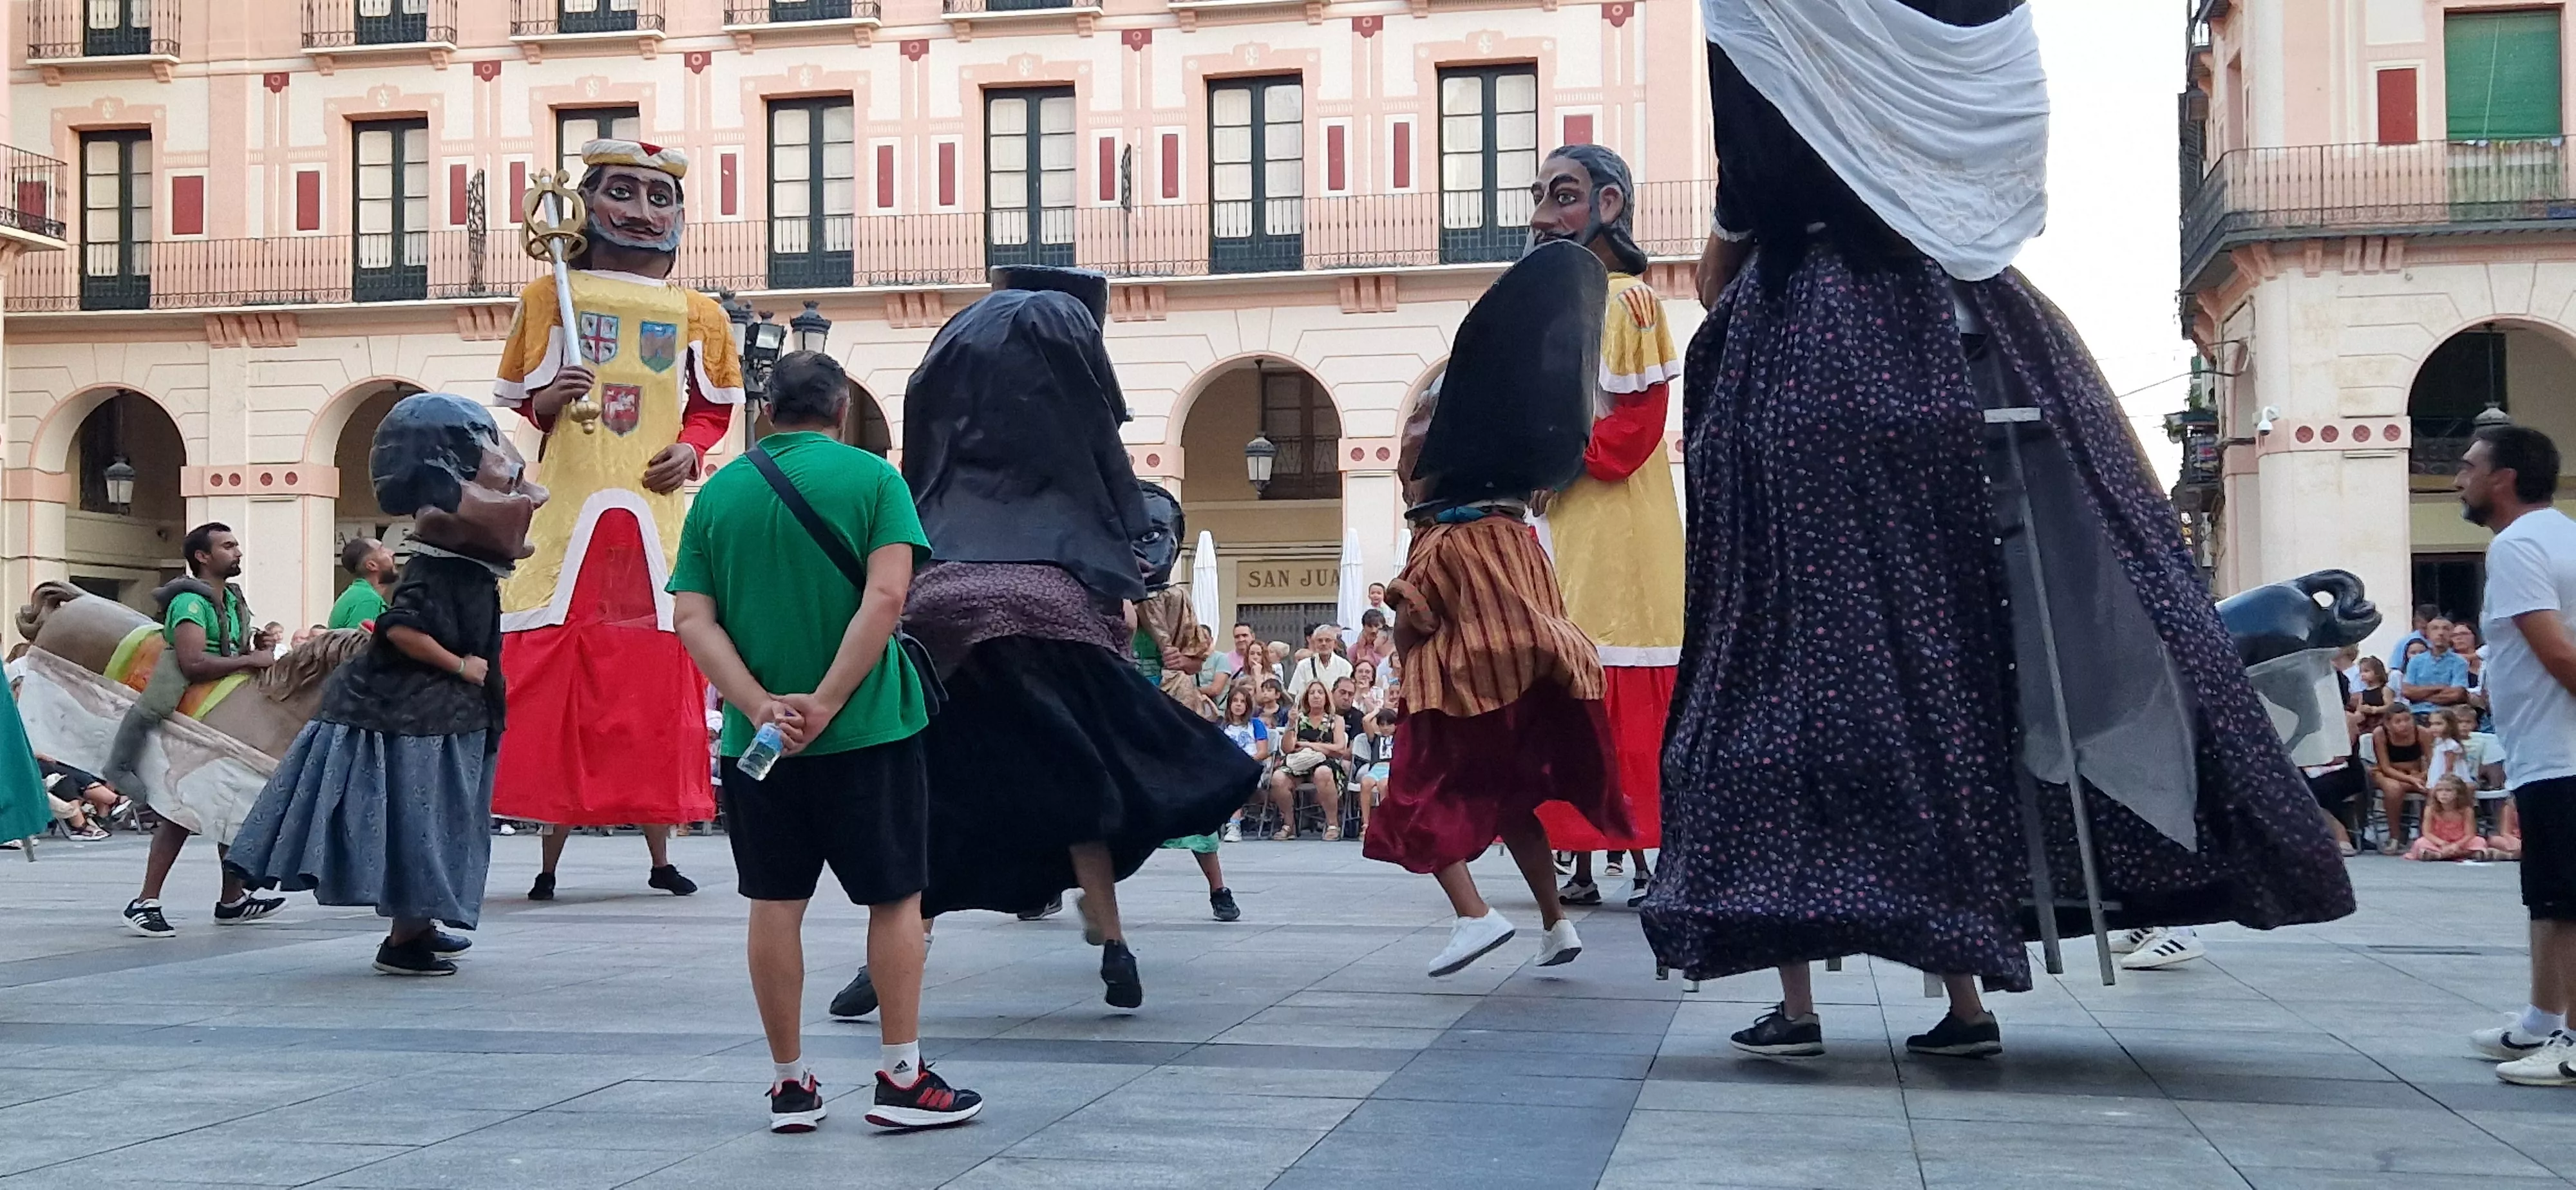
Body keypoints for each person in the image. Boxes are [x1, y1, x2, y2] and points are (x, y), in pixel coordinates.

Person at [1657, 0, 2353, 1061]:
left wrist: (1735, 245)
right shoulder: (1973, 60)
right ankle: (1966, 1000)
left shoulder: (1763, 27)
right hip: (1966, 333)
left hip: (1797, 362)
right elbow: (1998, 174)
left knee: (1772, 685)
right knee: (1939, 689)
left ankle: (1798, 1005)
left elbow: (1735, 231)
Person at [837, 267, 1256, 1019]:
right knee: (1082, 792)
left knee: (937, 795)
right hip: (1049, 604)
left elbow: (918, 476)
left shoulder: (955, 347)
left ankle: (894, 955)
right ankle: (1114, 944)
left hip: (943, 603)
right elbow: (1113, 488)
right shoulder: (1064, 348)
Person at [666, 350, 981, 1132]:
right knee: (895, 896)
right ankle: (901, 1076)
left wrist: (764, 707)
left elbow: (692, 620)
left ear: (767, 412)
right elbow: (888, 596)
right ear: (842, 410)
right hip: (871, 728)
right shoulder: (876, 482)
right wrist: (829, 701)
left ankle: (790, 1086)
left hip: (760, 743)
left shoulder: (720, 495)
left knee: (774, 902)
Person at [490, 138, 745, 902]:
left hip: (654, 523)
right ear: (585, 204)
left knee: (652, 698)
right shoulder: (548, 295)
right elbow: (522, 406)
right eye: (623, 193)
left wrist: (690, 453)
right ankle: (547, 859)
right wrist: (551, 399)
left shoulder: (701, 315)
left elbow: (709, 411)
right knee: (564, 685)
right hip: (573, 518)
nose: (640, 213)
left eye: (658, 198)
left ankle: (662, 856)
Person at [1362, 241, 1625, 978]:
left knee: (1408, 802)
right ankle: (1555, 924)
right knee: (1513, 804)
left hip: (1458, 693)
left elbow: (1413, 616)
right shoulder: (1517, 533)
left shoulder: (1442, 539)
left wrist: (1405, 664)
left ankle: (1473, 917)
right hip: (1532, 684)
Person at [226, 393, 545, 977]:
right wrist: (460, 667)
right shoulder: (440, 564)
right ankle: (405, 938)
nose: (517, 481)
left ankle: (420, 924)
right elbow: (401, 628)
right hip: (413, 719)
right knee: (422, 823)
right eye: (492, 458)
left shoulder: (456, 562)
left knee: (430, 821)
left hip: (434, 716)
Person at [1524, 142, 1682, 912]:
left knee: (1619, 658)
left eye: (1562, 196)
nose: (1542, 215)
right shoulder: (1565, 306)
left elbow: (1634, 428)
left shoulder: (1628, 303)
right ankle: (1584, 855)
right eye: (1541, 197)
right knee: (1576, 668)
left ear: (1608, 205)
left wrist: (1556, 458)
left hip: (1618, 529)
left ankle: (1643, 849)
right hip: (1570, 520)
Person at [2453, 425, 2576, 1083]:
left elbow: (2555, 653)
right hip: (2544, 751)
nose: (2459, 477)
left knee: (2567, 897)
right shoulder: (2563, 535)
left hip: (2560, 752)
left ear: (2503, 479)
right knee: (2550, 895)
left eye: (2469, 466)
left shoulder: (2519, 545)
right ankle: (2539, 1022)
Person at [108, 523, 287, 938]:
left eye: (236, 544)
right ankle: (144, 901)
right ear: (203, 557)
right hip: (191, 713)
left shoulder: (232, 599)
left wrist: (253, 650)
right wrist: (250, 663)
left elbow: (232, 651)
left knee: (230, 800)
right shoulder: (190, 601)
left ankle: (233, 900)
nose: (237, 551)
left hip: (223, 708)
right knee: (184, 810)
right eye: (227, 546)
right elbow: (192, 664)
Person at [1269, 681, 1351, 841]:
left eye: (1320, 692)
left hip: (1324, 763)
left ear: (1326, 697)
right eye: (1312, 693)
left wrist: (1308, 745)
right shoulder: (1299, 718)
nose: (1316, 696)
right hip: (1298, 763)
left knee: (1323, 772)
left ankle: (1333, 824)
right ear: (1306, 697)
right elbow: (1288, 748)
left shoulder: (1336, 720)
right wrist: (1291, 725)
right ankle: (1288, 825)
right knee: (1278, 778)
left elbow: (1340, 749)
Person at [2371, 710, 2431, 856]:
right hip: (2388, 773)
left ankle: (2427, 836)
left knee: (2434, 789)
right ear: (2388, 724)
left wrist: (2423, 775)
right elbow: (2385, 767)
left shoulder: (2421, 732)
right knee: (2394, 790)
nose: (2404, 725)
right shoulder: (2380, 733)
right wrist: (2410, 779)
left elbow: (2432, 761)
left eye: (2407, 720)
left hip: (2416, 773)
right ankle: (2394, 837)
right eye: (2398, 722)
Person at [2406, 777, 2486, 862]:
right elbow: (2427, 832)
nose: (2443, 794)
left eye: (2448, 791)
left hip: (2460, 843)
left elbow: (2470, 834)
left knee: (2479, 841)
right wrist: (2443, 844)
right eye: (2440, 790)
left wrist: (2456, 845)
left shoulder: (2466, 811)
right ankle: (2465, 854)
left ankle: (2440, 855)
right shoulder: (2430, 809)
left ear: (2458, 794)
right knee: (2421, 843)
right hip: (2438, 842)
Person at [2402, 617, 2471, 715]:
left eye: (2446, 629)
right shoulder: (2415, 661)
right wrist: (2439, 688)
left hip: (2446, 716)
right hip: (2417, 714)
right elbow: (2407, 691)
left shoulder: (2460, 662)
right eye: (2435, 628)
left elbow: (2456, 694)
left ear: (2451, 634)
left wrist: (2421, 695)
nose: (2441, 633)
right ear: (2428, 634)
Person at [328, 536, 398, 630]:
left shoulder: (358, 594)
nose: (392, 552)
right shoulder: (367, 600)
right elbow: (361, 643)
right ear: (372, 565)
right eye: (382, 550)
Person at [1352, 707, 1397, 837]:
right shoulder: (1375, 738)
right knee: (1365, 783)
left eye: (1389, 724)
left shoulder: (1399, 739)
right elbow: (1366, 720)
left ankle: (1384, 824)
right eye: (1382, 724)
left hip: (1390, 769)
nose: (1386, 728)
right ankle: (1366, 823)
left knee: (1384, 786)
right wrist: (1378, 710)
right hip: (1376, 768)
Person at [1287, 623, 1354, 696]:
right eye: (1320, 640)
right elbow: (1295, 693)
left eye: (1328, 640)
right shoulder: (1304, 665)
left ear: (1335, 643)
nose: (1324, 644)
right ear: (1314, 643)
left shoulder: (1345, 666)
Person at [2390, 603, 2441, 667]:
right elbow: (2395, 668)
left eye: (2433, 628)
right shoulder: (2404, 642)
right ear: (2416, 622)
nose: (2428, 631)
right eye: (2424, 628)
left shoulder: (2444, 641)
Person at [2352, 655, 2396, 729]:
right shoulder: (2363, 693)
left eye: (2366, 671)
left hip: (2382, 723)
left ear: (2378, 673)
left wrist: (2374, 710)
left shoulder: (2384, 690)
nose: (2362, 675)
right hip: (2367, 724)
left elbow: (2390, 707)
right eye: (2361, 672)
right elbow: (2359, 709)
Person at [1350, 610, 1396, 674]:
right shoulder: (1354, 649)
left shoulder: (1390, 646)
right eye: (1370, 626)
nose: (1374, 630)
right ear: (1364, 628)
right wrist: (1361, 650)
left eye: (1377, 626)